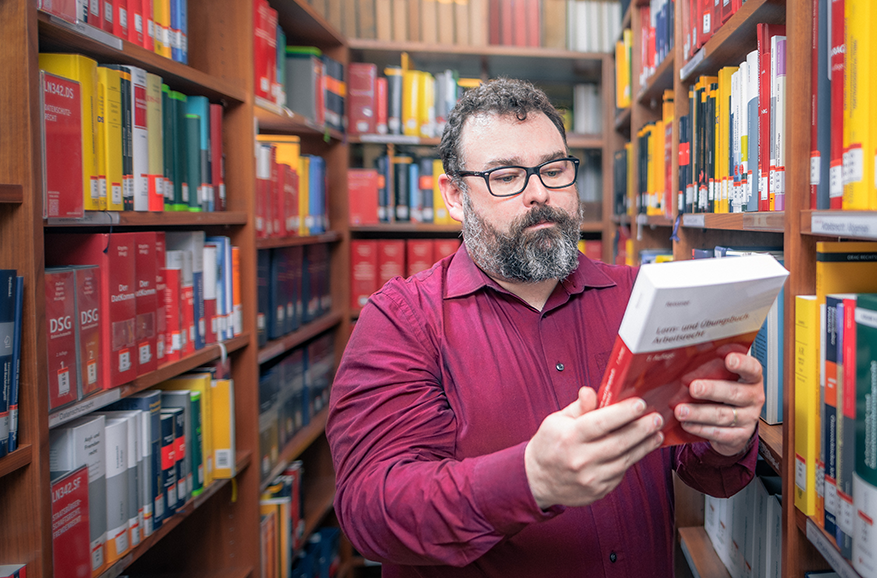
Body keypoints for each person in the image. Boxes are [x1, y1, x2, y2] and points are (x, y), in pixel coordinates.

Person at [327, 78, 766, 578]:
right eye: (506, 176)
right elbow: (371, 510)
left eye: (554, 170)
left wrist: (726, 435)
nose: (539, 193)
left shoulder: (642, 296)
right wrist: (530, 479)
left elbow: (697, 463)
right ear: (453, 196)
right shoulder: (403, 320)